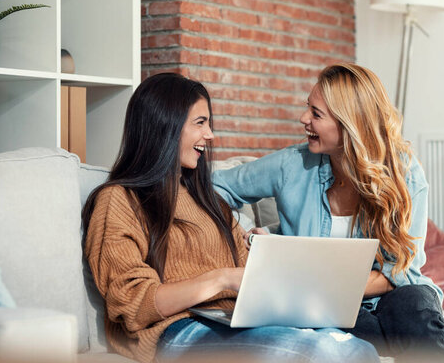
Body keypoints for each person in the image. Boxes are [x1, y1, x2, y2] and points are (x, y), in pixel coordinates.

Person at [82, 72, 381, 363]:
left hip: (237, 321)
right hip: (178, 330)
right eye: (200, 123)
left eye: (209, 123)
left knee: (356, 349)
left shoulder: (206, 200)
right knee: (320, 352)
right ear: (165, 127)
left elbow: (245, 263)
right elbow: (133, 303)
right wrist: (220, 279)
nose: (209, 135)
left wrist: (268, 253)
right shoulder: (120, 200)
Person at [212, 63, 444, 363]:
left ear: (350, 124)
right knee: (337, 328)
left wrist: (325, 284)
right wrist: (243, 231)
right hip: (326, 309)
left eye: (316, 114)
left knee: (414, 305)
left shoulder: (403, 173)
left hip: (395, 299)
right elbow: (215, 185)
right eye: (309, 109)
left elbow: (403, 269)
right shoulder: (291, 166)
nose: (304, 119)